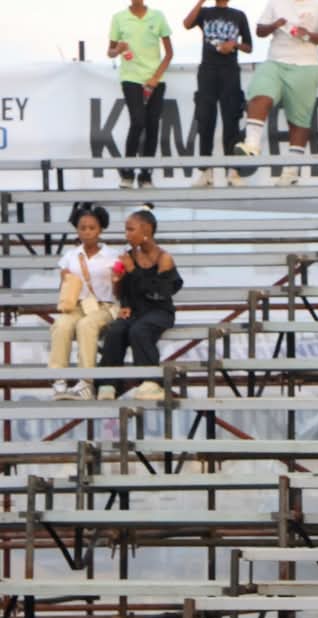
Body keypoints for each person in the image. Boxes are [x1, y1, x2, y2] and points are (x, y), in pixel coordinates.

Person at [233, 0, 318, 186]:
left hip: (306, 66)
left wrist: (308, 35)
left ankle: (290, 170)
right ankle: (251, 144)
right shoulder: (275, 3)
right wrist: (275, 25)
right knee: (259, 92)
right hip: (275, 61)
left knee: (299, 120)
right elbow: (260, 31)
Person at [98, 206, 184, 401]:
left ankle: (151, 382)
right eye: (126, 229)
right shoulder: (129, 256)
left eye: (131, 229)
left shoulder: (164, 258)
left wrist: (132, 270)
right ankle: (107, 383)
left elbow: (159, 292)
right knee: (116, 330)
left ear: (146, 231)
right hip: (135, 311)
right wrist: (118, 282)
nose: (127, 234)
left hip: (158, 311)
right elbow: (123, 293)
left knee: (139, 330)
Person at [49, 204, 121, 401]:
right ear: (77, 230)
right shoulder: (70, 256)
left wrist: (117, 280)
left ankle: (86, 381)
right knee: (61, 324)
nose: (87, 232)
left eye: (92, 228)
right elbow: (64, 286)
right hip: (78, 305)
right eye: (83, 228)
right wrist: (66, 280)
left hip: (104, 305)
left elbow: (119, 287)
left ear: (100, 229)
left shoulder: (113, 255)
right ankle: (58, 380)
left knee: (86, 325)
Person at [183, 0, 253, 188]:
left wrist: (234, 45)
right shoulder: (205, 12)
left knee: (231, 120)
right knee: (205, 120)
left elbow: (249, 46)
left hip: (230, 70)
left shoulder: (238, 15)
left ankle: (233, 171)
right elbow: (186, 24)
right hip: (208, 70)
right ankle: (206, 172)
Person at [107, 1, 173, 189]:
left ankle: (146, 175)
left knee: (152, 125)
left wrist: (155, 77)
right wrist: (117, 49)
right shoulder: (119, 18)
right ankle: (127, 173)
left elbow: (169, 53)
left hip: (155, 80)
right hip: (131, 78)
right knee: (138, 121)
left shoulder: (157, 16)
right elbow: (110, 51)